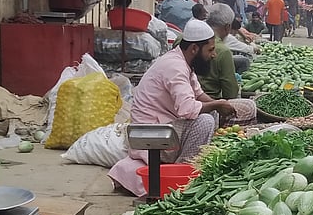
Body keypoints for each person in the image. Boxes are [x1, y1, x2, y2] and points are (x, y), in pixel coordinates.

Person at [108, 19, 257, 196]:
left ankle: (190, 158)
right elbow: (187, 109)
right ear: (194, 49)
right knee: (204, 121)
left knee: (247, 106)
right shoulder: (175, 66)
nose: (214, 55)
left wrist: (222, 105)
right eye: (210, 50)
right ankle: (183, 172)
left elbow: (199, 95)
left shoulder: (185, 62)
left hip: (168, 124)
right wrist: (217, 105)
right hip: (151, 133)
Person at [198, 5, 241, 100]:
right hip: (210, 102)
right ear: (227, 27)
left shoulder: (182, 39)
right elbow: (230, 93)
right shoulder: (222, 51)